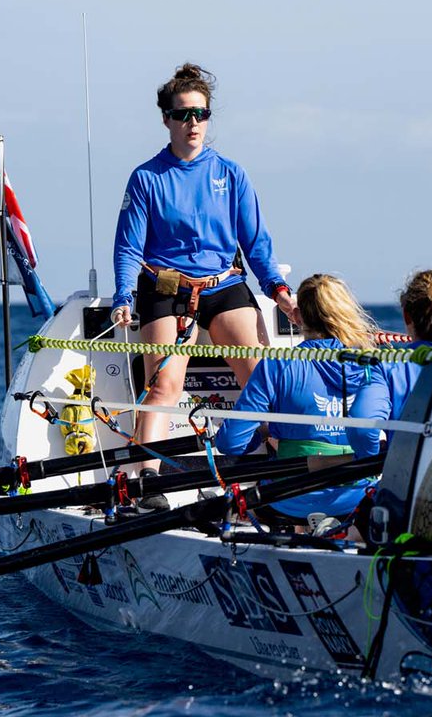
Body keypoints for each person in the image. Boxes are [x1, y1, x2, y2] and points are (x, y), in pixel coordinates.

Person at [111, 63, 298, 508]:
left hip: (222, 284)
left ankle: (285, 474)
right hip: (166, 288)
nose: (192, 123)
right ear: (166, 119)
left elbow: (256, 243)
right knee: (164, 386)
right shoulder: (146, 178)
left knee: (263, 380)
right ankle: (147, 482)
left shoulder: (231, 174)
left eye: (201, 114)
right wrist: (122, 297)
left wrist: (279, 293)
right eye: (183, 115)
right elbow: (127, 248)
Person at [215, 274, 384, 526]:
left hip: (289, 498)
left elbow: (230, 442)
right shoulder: (374, 364)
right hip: (358, 498)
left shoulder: (277, 364)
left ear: (298, 316)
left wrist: (266, 431)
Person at [348, 270, 432, 448]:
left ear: (406, 316)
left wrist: (379, 457)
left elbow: (362, 429)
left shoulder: (388, 367)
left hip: (409, 470)